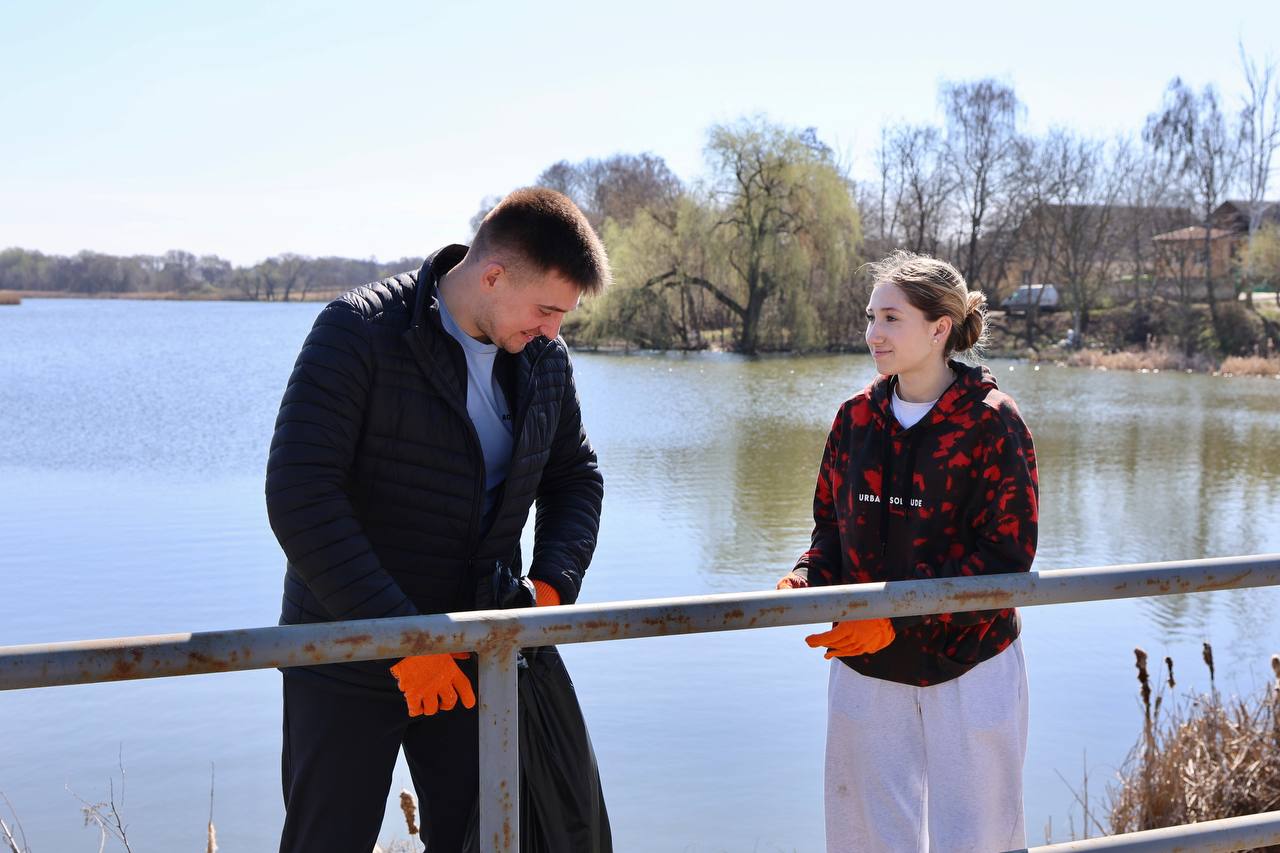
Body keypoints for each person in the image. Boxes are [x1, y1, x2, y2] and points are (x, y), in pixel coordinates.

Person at [265, 187, 609, 852]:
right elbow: (299, 494)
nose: (553, 330)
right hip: (347, 653)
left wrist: (550, 590)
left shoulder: (543, 360)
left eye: (563, 316)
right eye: (546, 310)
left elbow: (576, 477)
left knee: (485, 841)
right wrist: (405, 641)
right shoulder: (357, 331)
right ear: (492, 275)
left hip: (476, 654)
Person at [777, 250, 1039, 852]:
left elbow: (1007, 556)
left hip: (969, 664)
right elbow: (831, 531)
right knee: (865, 840)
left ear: (939, 328)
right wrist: (804, 578)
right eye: (871, 317)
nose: (873, 333)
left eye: (891, 318)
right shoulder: (854, 419)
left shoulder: (992, 423)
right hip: (867, 668)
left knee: (979, 840)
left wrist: (892, 617)